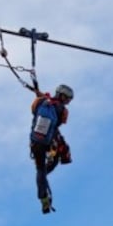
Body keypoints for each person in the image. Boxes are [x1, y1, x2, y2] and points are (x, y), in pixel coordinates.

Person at [29, 84, 74, 214]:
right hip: (50, 142)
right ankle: (44, 176)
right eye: (68, 99)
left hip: (36, 142)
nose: (68, 102)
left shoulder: (41, 101)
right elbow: (61, 121)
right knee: (51, 163)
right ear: (63, 97)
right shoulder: (63, 110)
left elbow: (33, 110)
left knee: (40, 170)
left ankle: (43, 196)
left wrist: (41, 96)